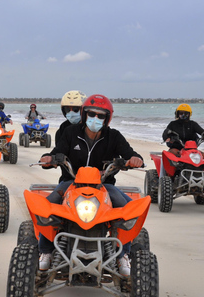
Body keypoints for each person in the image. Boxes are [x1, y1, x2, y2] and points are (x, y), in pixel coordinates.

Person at [37, 94, 144, 277]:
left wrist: (135, 160)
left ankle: (123, 254)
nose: (95, 119)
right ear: (84, 114)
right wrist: (48, 159)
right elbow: (57, 152)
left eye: (101, 115)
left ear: (107, 118)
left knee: (129, 209)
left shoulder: (114, 136)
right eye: (91, 114)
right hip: (71, 182)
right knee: (48, 206)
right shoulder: (71, 133)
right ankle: (45, 250)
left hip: (104, 186)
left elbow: (131, 154)